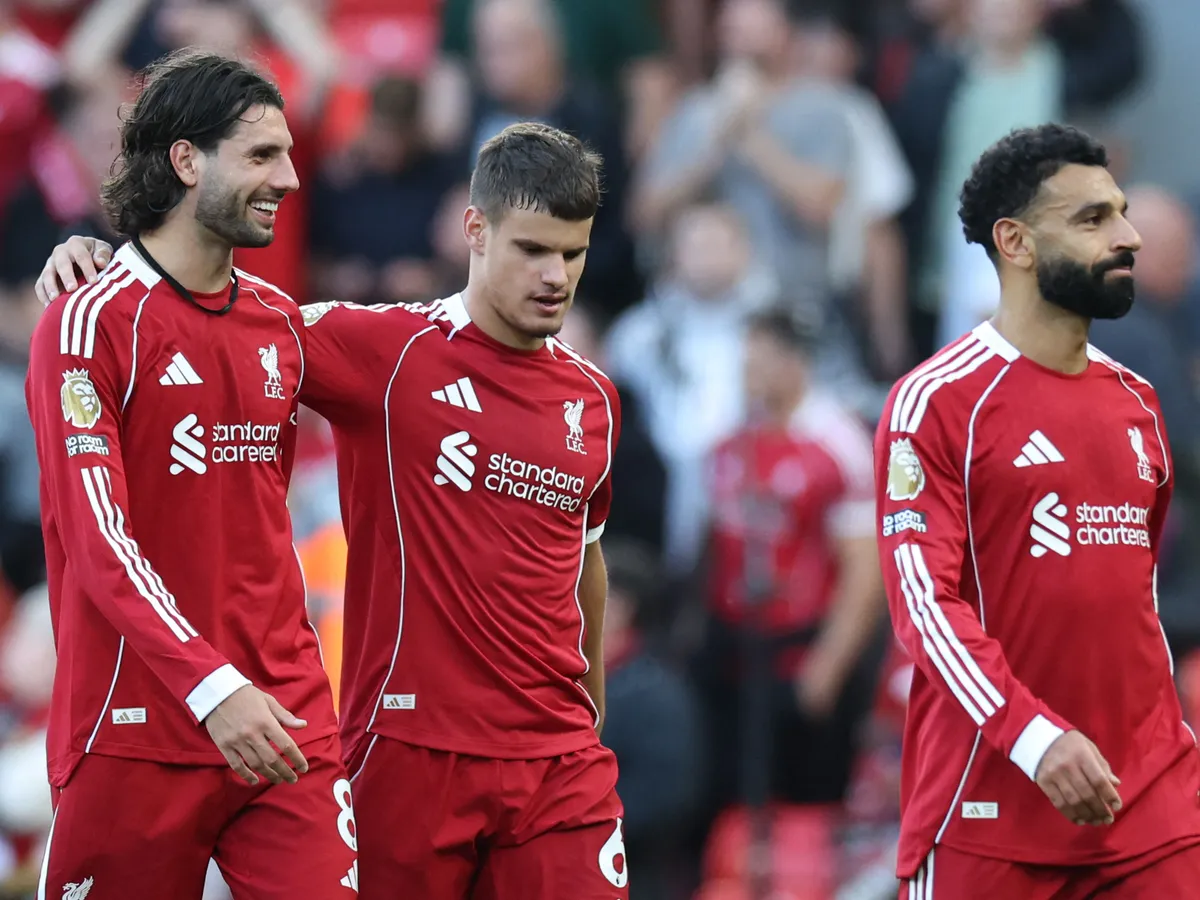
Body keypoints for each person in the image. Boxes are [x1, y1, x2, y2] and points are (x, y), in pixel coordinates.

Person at [39, 121, 628, 899]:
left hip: (560, 761)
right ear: (475, 231)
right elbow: (213, 316)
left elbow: (585, 565)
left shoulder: (595, 400)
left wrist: (588, 714)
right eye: (533, 249)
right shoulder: (384, 350)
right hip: (411, 749)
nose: (556, 275)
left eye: (573, 253)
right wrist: (108, 265)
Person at [24, 51, 356, 899]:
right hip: (135, 724)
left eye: (287, 154)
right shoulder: (87, 322)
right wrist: (212, 687)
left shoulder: (282, 323)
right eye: (259, 156)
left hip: (284, 719)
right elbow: (101, 541)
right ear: (184, 160)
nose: (287, 177)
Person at [875, 123, 1200, 898]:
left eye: (1120, 212)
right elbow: (924, 607)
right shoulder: (937, 401)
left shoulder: (1139, 402)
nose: (1128, 238)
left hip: (1150, 804)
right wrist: (1033, 735)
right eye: (1092, 220)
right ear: (1014, 243)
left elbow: (1136, 597)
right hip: (992, 810)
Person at [697, 309, 884, 825]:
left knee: (806, 810)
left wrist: (829, 666)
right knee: (731, 805)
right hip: (736, 652)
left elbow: (865, 571)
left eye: (759, 362)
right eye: (744, 362)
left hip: (803, 652)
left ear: (794, 362)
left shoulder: (837, 443)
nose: (748, 374)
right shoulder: (733, 435)